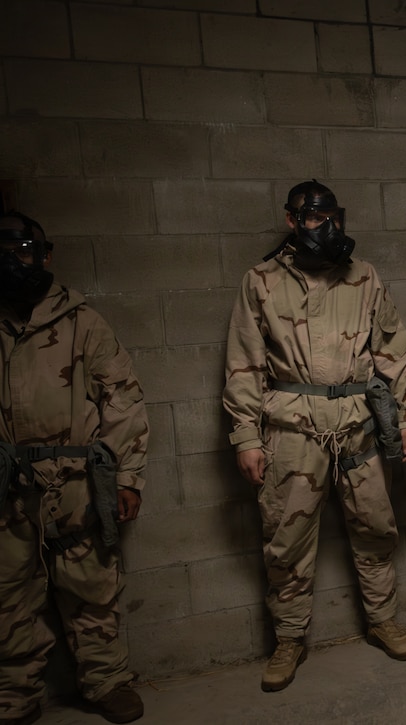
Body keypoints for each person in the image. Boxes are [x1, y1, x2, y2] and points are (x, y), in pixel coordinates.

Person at [223, 180, 406, 693]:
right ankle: (289, 639)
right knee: (285, 540)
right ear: (291, 221)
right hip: (291, 429)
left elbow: (393, 350)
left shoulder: (364, 277)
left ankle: (383, 620)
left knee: (376, 527)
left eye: (332, 216)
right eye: (313, 218)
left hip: (359, 424)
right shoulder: (261, 281)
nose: (325, 227)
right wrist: (246, 435)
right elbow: (244, 364)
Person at [0, 212, 149, 724]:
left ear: (44, 254)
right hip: (7, 491)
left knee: (91, 587)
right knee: (8, 597)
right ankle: (14, 696)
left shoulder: (80, 321)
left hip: (77, 485)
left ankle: (105, 681)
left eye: (22, 250)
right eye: (3, 251)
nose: (13, 261)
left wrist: (127, 478)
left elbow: (124, 401)